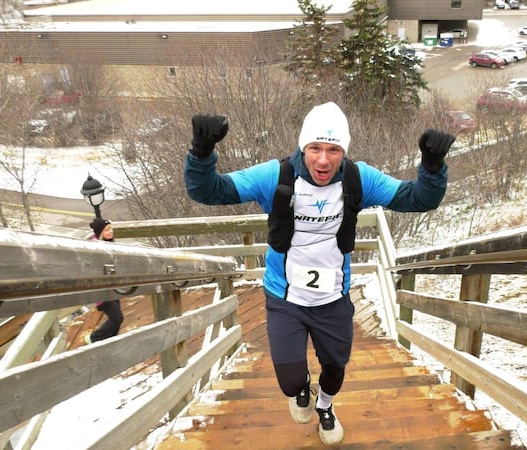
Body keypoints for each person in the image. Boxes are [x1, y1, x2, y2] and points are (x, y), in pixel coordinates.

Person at [183, 102, 454, 446]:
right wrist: (202, 151)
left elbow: (415, 198)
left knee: (336, 370)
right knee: (290, 381)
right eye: (315, 148)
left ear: (343, 151)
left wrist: (432, 167)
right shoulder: (276, 176)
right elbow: (209, 191)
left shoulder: (359, 179)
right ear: (302, 147)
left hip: (333, 298)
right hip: (285, 297)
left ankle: (325, 407)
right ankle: (302, 391)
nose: (323, 160)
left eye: (333, 150)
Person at [84, 218, 124, 344]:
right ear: (100, 232)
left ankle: (110, 342)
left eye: (111, 229)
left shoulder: (108, 245)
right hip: (102, 289)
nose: (111, 232)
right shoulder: (94, 247)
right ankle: (93, 339)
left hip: (112, 286)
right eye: (107, 230)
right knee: (117, 318)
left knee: (116, 319)